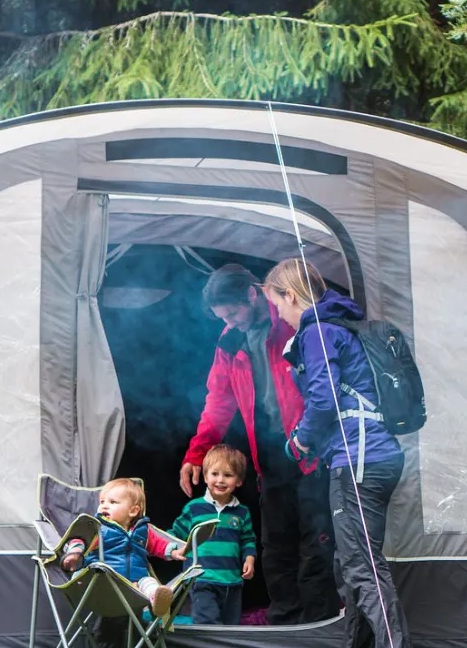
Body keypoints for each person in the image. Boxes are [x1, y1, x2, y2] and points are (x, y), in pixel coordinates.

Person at [261, 258, 422, 648]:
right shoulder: (339, 326)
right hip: (372, 456)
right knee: (349, 567)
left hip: (359, 458)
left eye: (277, 306)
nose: (279, 316)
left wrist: (300, 441)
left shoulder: (317, 332)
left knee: (362, 566)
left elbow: (323, 396)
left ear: (289, 296)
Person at [180, 263, 338, 625]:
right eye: (224, 317)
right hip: (269, 453)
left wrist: (311, 437)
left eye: (233, 313)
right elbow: (217, 402)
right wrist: (197, 453)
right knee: (276, 541)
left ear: (252, 294)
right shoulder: (229, 340)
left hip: (311, 448)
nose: (230, 322)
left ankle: (319, 620)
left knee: (316, 537)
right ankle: (285, 618)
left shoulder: (290, 320)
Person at [60, 478, 177, 620]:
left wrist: (173, 551)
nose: (104, 506)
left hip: (134, 583)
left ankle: (156, 598)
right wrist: (75, 553)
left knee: (148, 581)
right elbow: (81, 539)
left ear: (133, 511)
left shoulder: (142, 530)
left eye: (112, 502)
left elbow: (158, 545)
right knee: (84, 574)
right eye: (102, 502)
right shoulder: (98, 528)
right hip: (104, 582)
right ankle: (153, 598)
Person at [171, 445, 257, 625]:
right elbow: (174, 535)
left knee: (230, 627)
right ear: (205, 476)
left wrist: (249, 558)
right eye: (215, 474)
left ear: (239, 481)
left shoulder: (241, 512)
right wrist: (167, 548)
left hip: (232, 582)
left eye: (228, 475)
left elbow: (248, 539)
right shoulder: (194, 508)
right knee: (206, 624)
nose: (220, 480)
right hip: (201, 579)